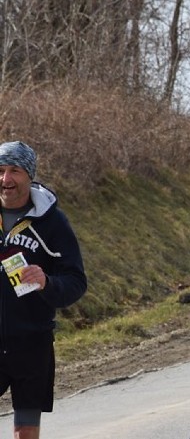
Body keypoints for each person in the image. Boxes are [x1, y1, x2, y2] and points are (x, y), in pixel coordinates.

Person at [0, 141, 87, 439]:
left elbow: (76, 281)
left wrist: (47, 282)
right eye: (0, 171)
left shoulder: (52, 221)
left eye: (14, 171)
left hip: (31, 344)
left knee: (25, 431)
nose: (5, 179)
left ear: (29, 174)